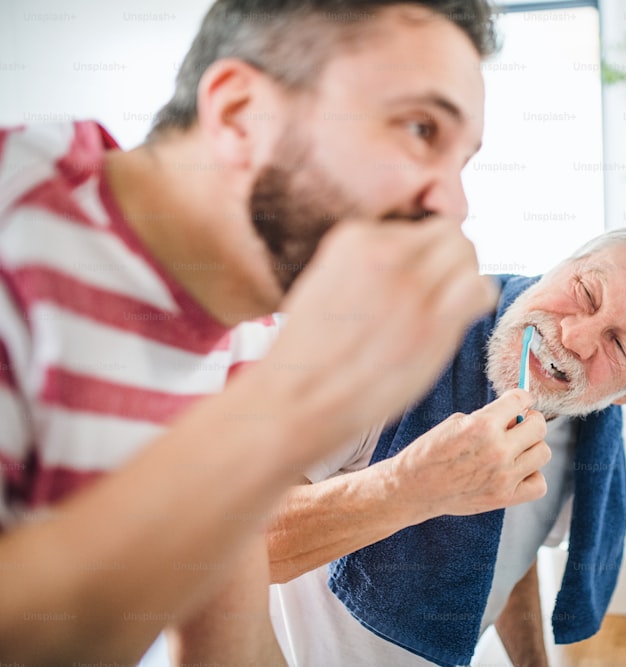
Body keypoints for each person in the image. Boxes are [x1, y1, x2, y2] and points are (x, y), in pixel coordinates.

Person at [0, 1, 554, 663]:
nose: (454, 206)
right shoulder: (17, 214)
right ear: (239, 114)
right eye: (419, 127)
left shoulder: (253, 330)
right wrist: (295, 410)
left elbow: (225, 634)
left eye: (462, 160)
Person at [263, 227, 626, 666]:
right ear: (560, 265)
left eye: (618, 344)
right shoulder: (389, 343)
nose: (574, 338)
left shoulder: (587, 438)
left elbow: (500, 555)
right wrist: (414, 487)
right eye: (586, 292)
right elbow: (237, 548)